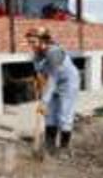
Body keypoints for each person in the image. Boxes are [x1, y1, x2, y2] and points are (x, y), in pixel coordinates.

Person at [25, 27, 80, 156]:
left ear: (43, 40)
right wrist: (38, 82)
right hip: (51, 82)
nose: (31, 45)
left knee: (64, 115)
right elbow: (39, 73)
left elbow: (53, 78)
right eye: (29, 42)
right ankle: (49, 146)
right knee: (49, 115)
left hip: (67, 83)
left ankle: (64, 148)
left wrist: (44, 101)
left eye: (33, 42)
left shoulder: (54, 52)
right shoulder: (37, 54)